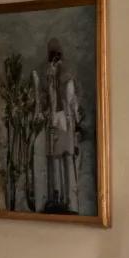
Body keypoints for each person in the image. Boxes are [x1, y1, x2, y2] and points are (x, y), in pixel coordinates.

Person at [33, 37, 83, 213]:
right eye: (52, 55)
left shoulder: (66, 74)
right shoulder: (48, 72)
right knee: (54, 158)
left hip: (63, 118)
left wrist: (75, 118)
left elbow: (70, 98)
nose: (54, 59)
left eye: (56, 55)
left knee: (66, 157)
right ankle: (57, 197)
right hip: (54, 118)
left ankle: (68, 200)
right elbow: (46, 97)